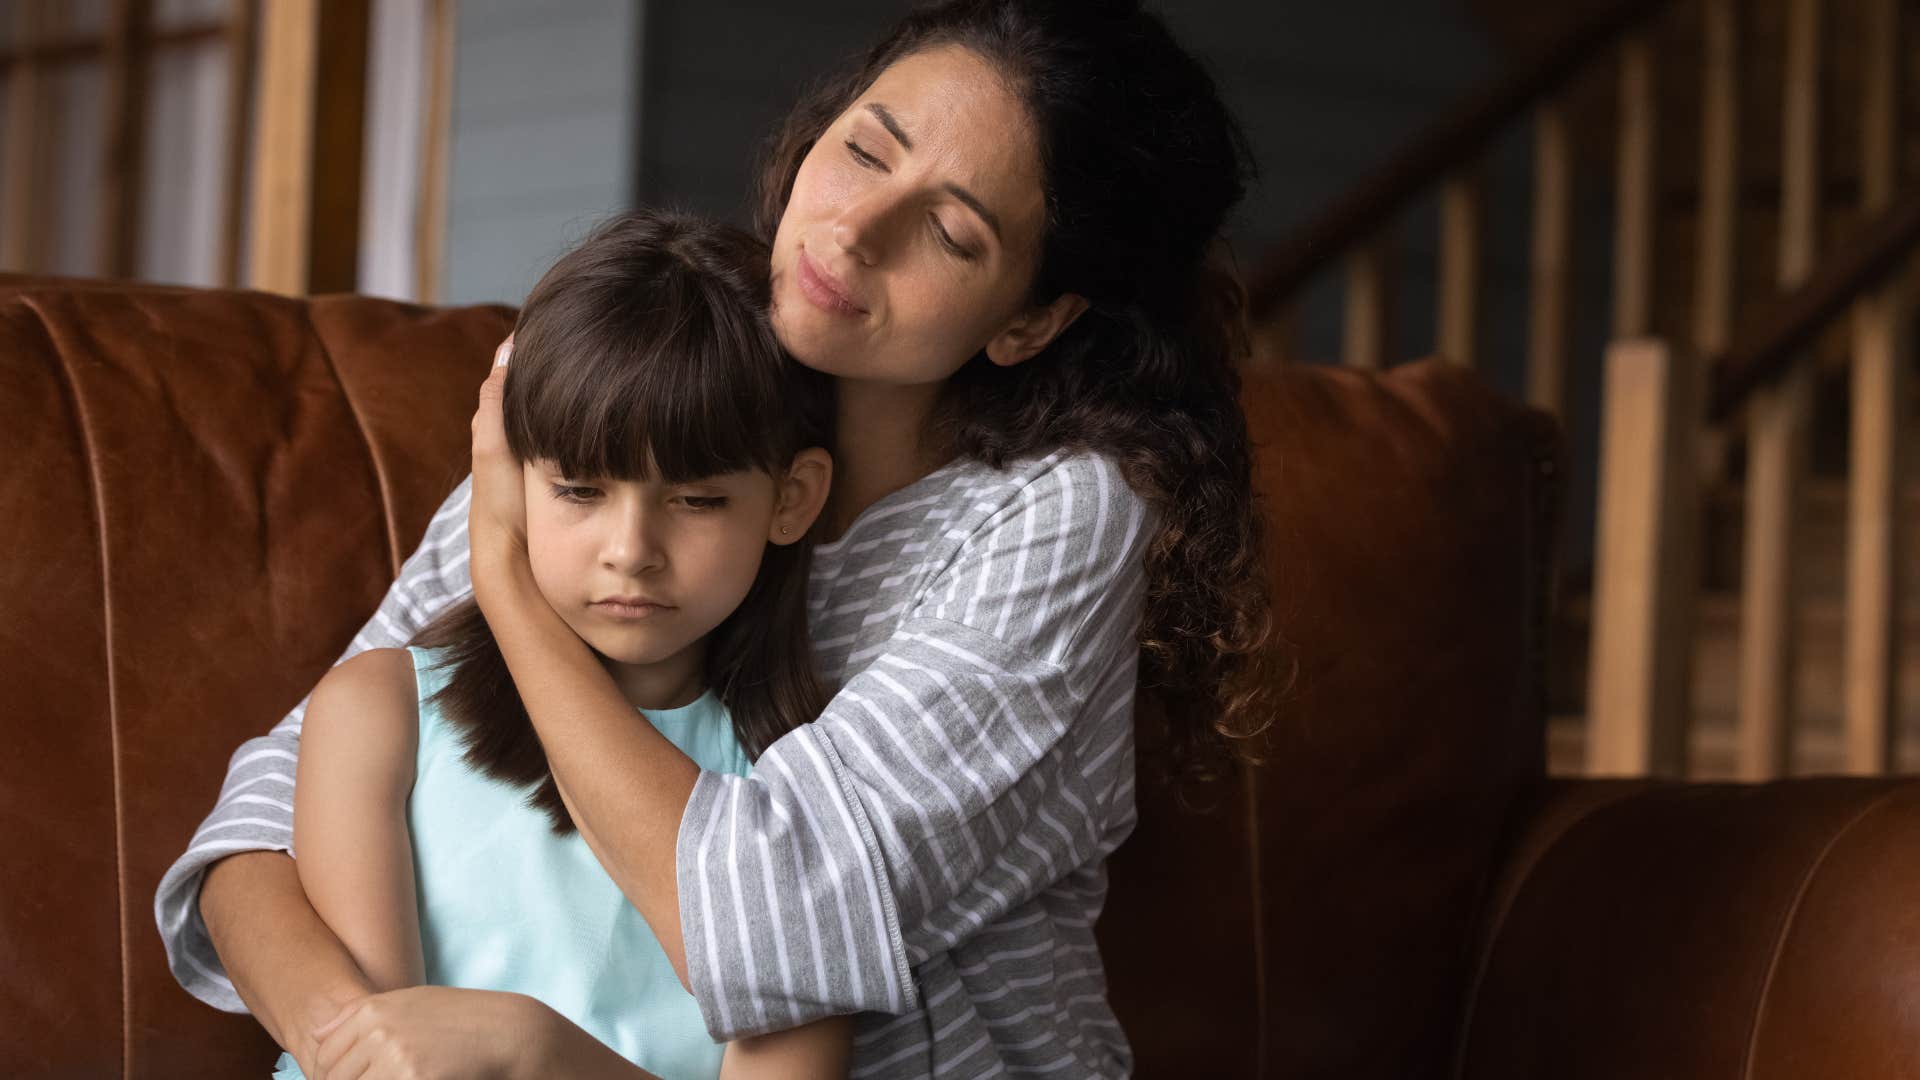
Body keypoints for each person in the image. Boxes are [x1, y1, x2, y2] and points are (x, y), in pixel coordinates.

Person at [155, 1, 1276, 1075]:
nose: (853, 228)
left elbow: (775, 928)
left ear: (1031, 318)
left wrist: (504, 576)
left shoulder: (1058, 520)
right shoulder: (658, 405)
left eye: (947, 231)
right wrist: (360, 1042)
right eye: (865, 152)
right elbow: (269, 808)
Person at [271, 210, 848, 1078]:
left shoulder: (820, 785)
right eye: (579, 489)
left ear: (792, 499)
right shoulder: (379, 712)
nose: (631, 550)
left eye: (696, 500)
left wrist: (537, 1052)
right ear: (506, 481)